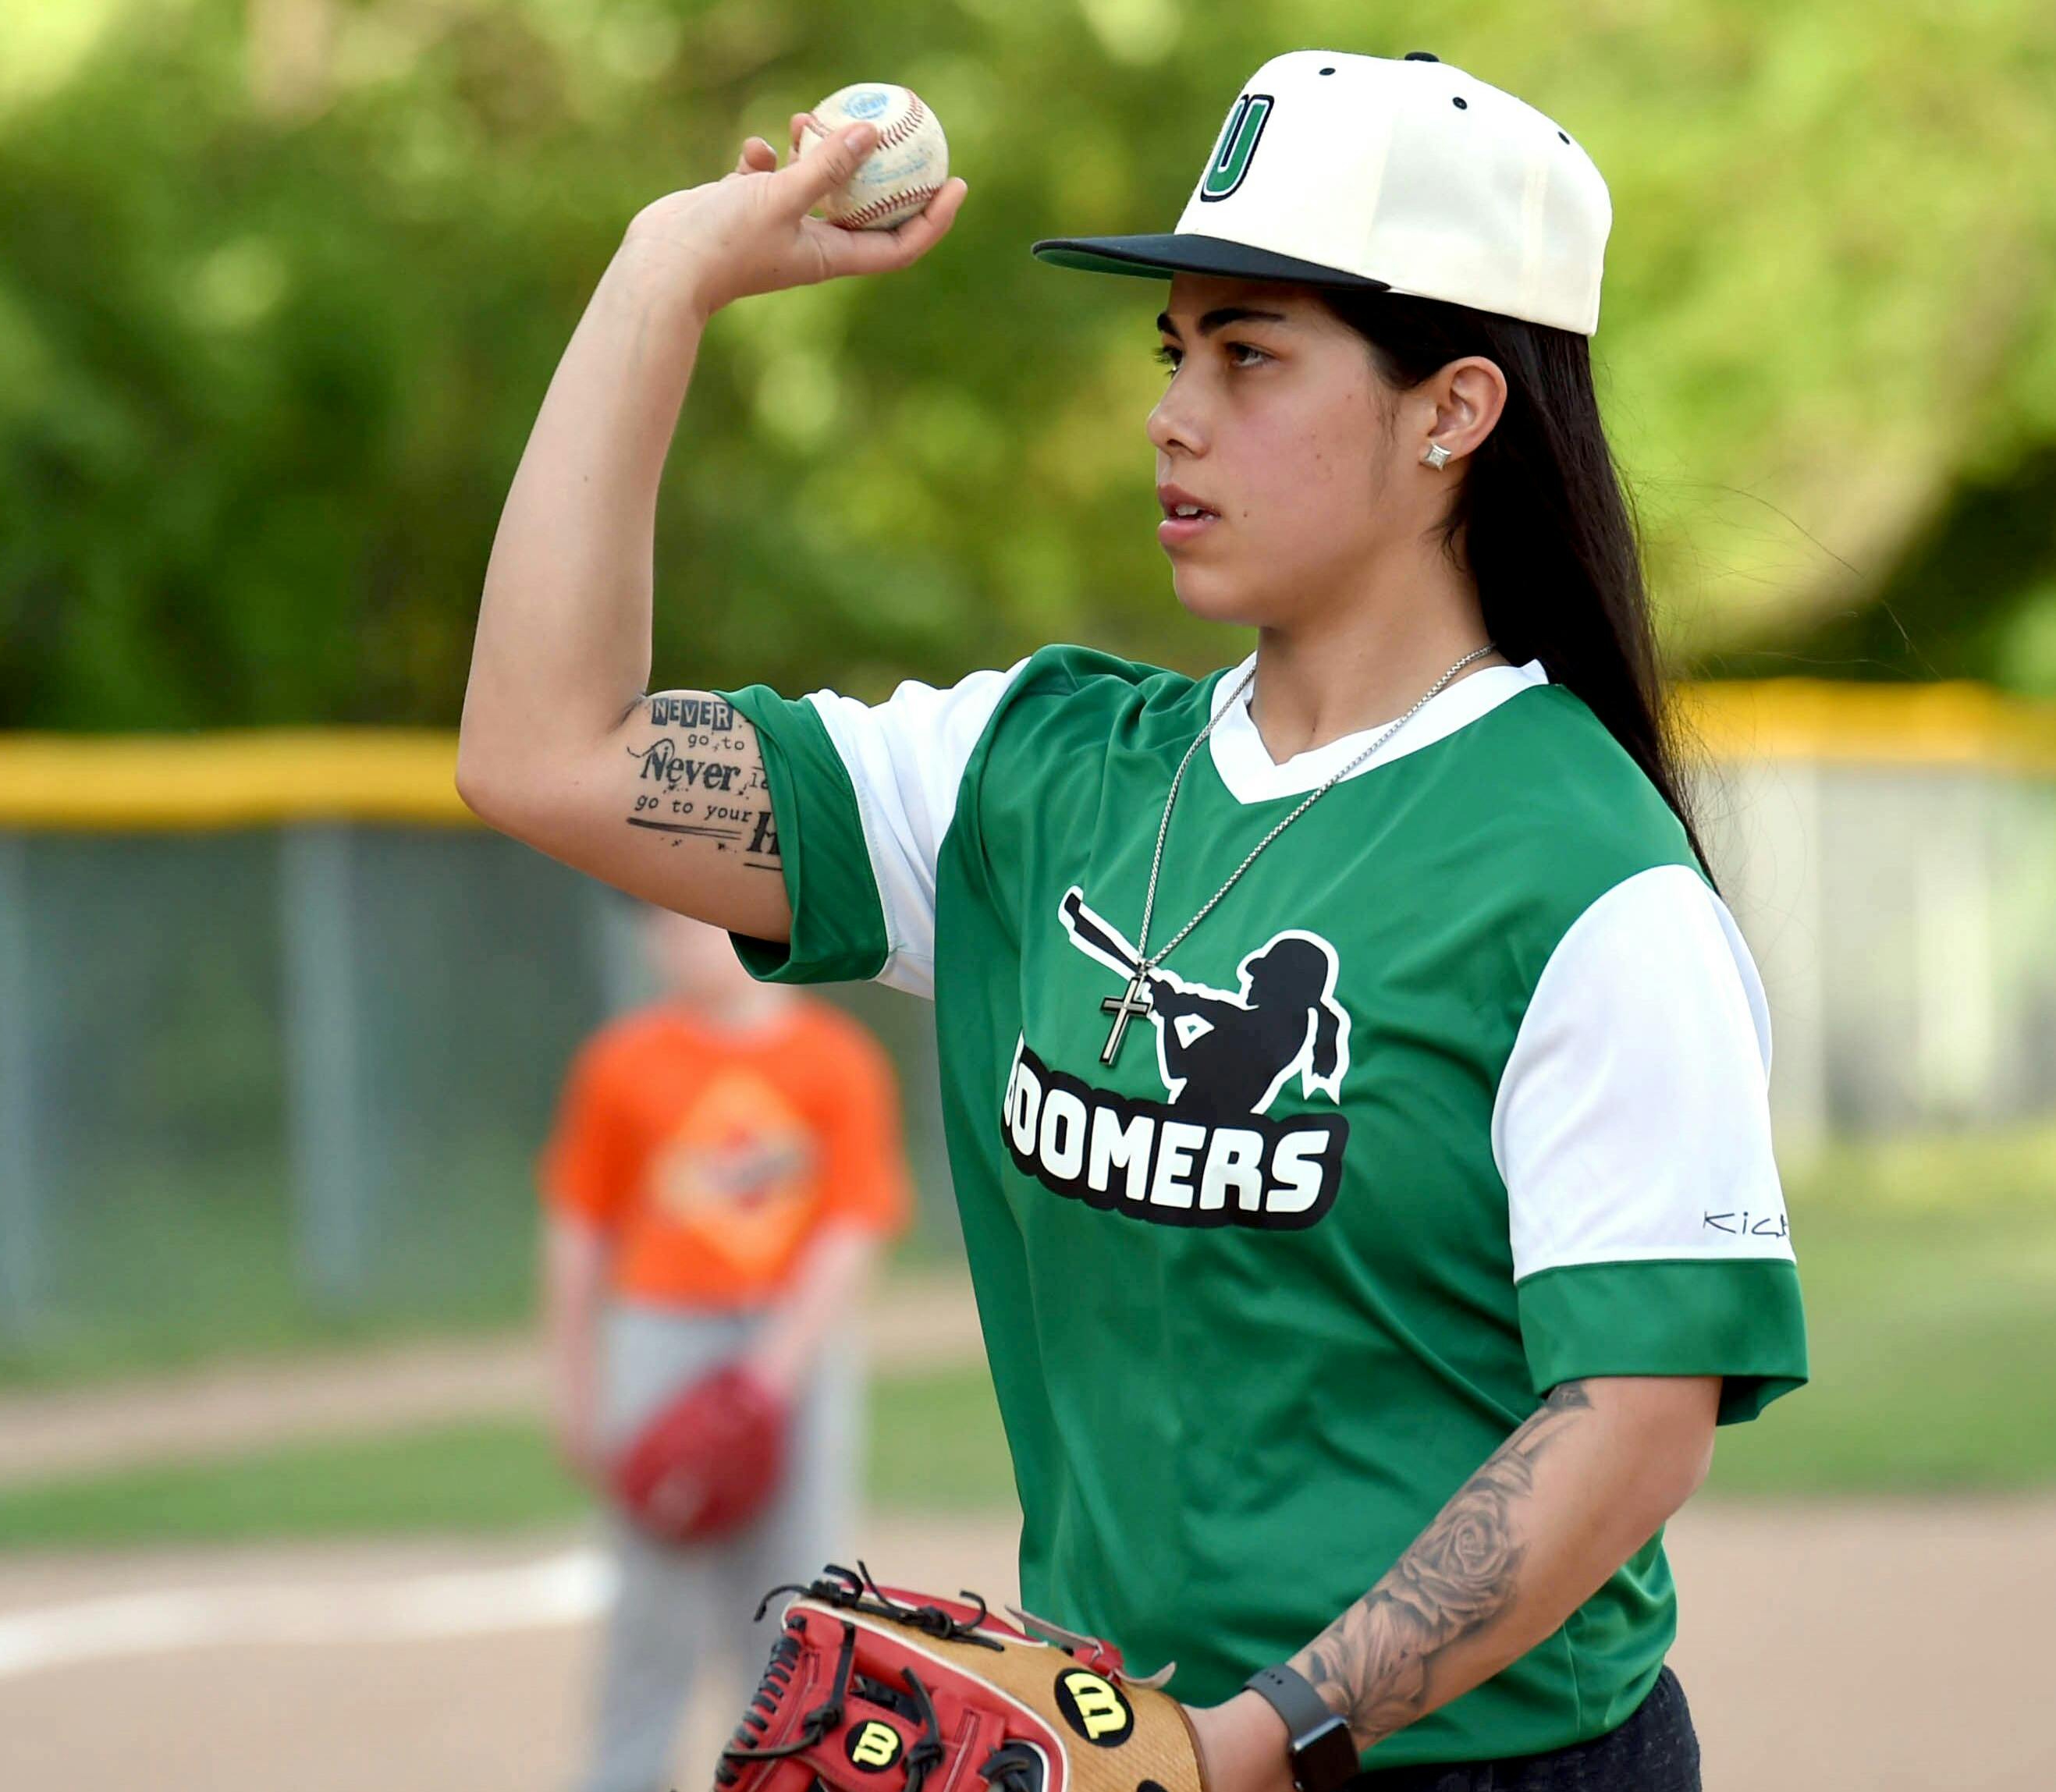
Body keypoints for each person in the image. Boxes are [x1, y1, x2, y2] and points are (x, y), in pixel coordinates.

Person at [459, 48, 1804, 1792]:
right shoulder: (1038, 773)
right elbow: (544, 753)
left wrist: (1253, 1739)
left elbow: (1628, 1425)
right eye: (1174, 352)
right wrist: (662, 273)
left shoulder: (1584, 873)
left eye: (1249, 356)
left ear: (1451, 411)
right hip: (1137, 1753)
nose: (1172, 411)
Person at [541, 905, 908, 1792]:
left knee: (795, 1604)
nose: (680, 939)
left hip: (793, 1344)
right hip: (660, 1333)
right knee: (650, 1606)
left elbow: (853, 1227)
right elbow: (578, 1228)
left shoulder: (836, 1059)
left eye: (701, 921)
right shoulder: (623, 1061)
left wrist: (767, 1375)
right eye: (664, 924)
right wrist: (577, 1381)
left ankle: (783, 1778)